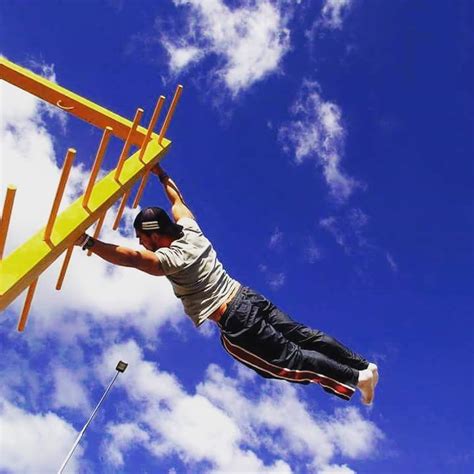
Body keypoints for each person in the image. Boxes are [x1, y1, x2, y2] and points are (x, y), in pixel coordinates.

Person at [76, 164, 378, 404]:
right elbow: (177, 200)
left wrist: (88, 241)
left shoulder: (172, 258)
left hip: (235, 318)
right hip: (248, 296)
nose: (140, 242)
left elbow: (132, 258)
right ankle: (364, 366)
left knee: (288, 362)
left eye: (142, 237)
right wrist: (161, 173)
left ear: (154, 234)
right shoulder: (191, 230)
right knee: (303, 335)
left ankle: (355, 377)